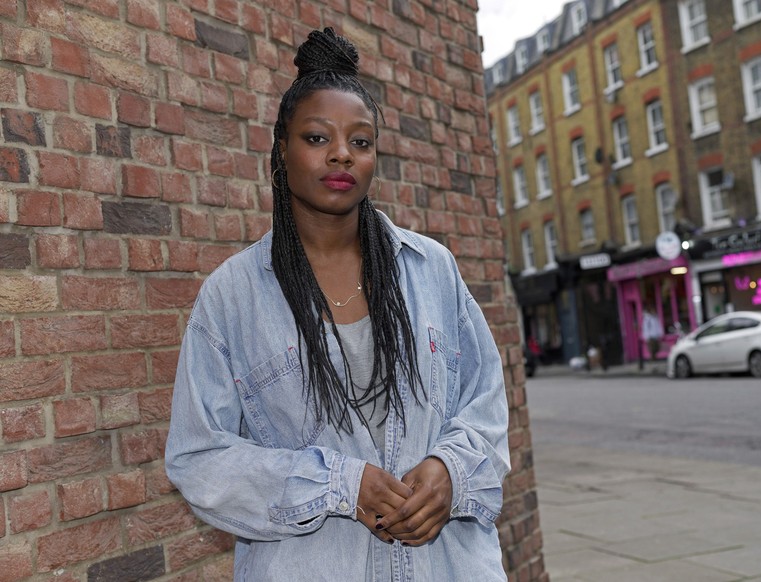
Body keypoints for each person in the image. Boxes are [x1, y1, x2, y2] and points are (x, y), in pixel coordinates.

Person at [164, 28, 510, 581]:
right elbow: (197, 459)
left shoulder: (431, 270)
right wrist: (336, 487)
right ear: (282, 148)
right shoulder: (233, 297)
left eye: (361, 141)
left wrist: (451, 471)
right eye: (318, 138)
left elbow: (486, 403)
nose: (342, 154)